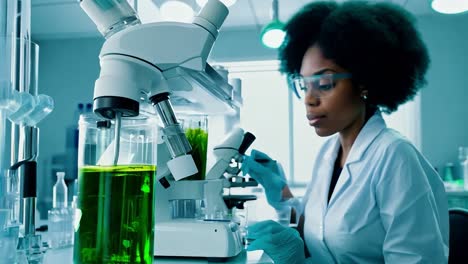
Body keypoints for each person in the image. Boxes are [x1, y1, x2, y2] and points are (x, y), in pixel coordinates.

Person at [241, 1, 449, 263]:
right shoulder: (330, 152)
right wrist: (282, 195)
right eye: (304, 86)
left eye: (324, 83)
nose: (309, 100)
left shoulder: (395, 157)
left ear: (364, 81)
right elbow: (320, 231)